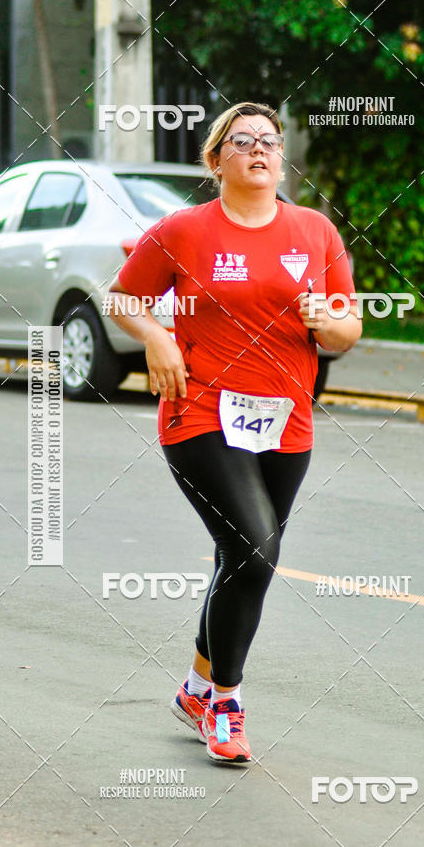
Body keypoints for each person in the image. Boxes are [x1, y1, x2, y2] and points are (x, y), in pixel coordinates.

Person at [108, 101, 362, 764]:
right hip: (199, 411)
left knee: (241, 557)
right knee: (254, 548)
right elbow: (123, 298)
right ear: (215, 158)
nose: (259, 150)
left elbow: (348, 329)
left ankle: (194, 687)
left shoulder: (314, 233)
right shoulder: (184, 231)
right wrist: (158, 336)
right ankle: (225, 700)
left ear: (281, 157)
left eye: (269, 141)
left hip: (287, 418)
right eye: (241, 140)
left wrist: (325, 323)